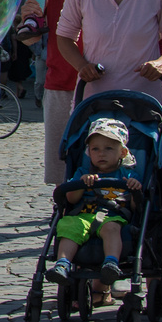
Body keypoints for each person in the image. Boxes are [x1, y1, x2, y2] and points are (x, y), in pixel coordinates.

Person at [17, 0, 106, 186]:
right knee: (64, 180)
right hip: (61, 80)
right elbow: (30, 37)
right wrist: (26, 22)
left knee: (110, 177)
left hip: (109, 82)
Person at [46, 117, 140, 285]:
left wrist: (135, 191)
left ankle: (111, 262)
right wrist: (81, 183)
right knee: (69, 226)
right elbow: (71, 199)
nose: (101, 153)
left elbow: (136, 207)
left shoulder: (128, 176)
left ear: (123, 152)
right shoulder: (83, 171)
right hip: (83, 215)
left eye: (108, 148)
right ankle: (62, 264)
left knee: (112, 228)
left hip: (112, 216)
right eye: (95, 149)